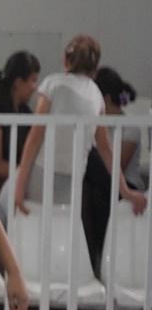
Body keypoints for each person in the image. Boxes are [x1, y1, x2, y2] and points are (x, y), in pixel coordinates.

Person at [14, 35, 147, 215]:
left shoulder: (52, 84)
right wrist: (125, 191)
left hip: (42, 170)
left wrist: (19, 185)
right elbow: (105, 148)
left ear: (66, 59)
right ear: (95, 67)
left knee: (33, 220)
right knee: (64, 223)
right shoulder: (96, 95)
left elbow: (35, 137)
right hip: (74, 175)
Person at [82, 67, 147, 273]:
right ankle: (90, 259)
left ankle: (99, 259)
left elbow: (118, 166)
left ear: (106, 99)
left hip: (125, 183)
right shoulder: (97, 126)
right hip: (101, 186)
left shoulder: (129, 127)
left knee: (90, 161)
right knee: (88, 193)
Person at [0, 51, 39, 206]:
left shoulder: (26, 113)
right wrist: (25, 171)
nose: (35, 87)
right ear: (19, 82)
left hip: (18, 183)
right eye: (33, 80)